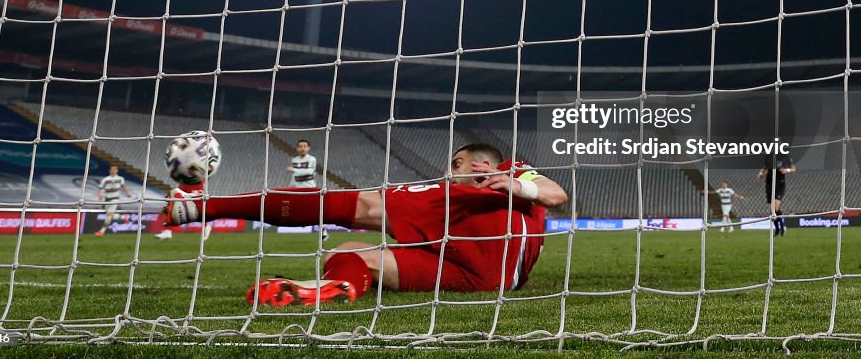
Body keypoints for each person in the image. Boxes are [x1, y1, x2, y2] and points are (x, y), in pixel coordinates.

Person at [164, 142, 568, 306]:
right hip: (480, 277)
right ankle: (332, 288)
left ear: (482, 161)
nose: (449, 171)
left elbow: (555, 193)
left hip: (484, 243)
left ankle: (203, 206)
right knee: (348, 253)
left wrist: (514, 182)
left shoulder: (511, 171)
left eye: (456, 163)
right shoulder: (477, 190)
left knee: (359, 205)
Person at [758, 157, 795, 236]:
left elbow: (794, 168)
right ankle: (777, 229)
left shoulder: (785, 156)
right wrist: (761, 173)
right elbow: (764, 168)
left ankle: (782, 227)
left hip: (779, 184)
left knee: (776, 208)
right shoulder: (769, 156)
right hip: (769, 184)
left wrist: (786, 170)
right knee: (771, 210)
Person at [95, 165, 132, 236]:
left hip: (115, 199)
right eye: (111, 170)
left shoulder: (120, 179)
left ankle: (101, 231)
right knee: (109, 215)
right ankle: (123, 217)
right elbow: (100, 187)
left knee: (109, 214)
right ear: (110, 171)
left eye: (114, 170)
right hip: (107, 199)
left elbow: (124, 186)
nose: (112, 171)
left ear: (117, 171)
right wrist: (99, 195)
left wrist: (128, 193)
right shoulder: (106, 179)